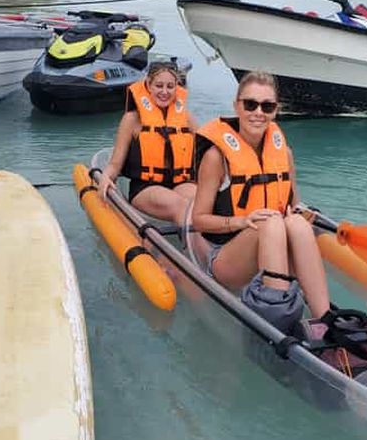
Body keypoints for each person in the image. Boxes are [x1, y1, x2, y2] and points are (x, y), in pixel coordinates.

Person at [191, 71, 330, 325]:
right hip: (228, 259)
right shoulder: (217, 157)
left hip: (273, 246)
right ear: (237, 106)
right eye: (250, 104)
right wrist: (242, 221)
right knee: (271, 222)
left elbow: (293, 205)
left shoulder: (283, 153)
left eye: (267, 106)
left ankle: (325, 318)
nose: (258, 112)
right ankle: (277, 322)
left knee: (297, 224)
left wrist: (302, 215)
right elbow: (198, 221)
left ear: (275, 110)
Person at [97, 62, 196, 225]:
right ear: (148, 85)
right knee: (181, 205)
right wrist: (106, 177)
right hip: (146, 188)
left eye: (170, 86)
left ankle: (216, 247)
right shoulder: (132, 119)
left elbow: (207, 148)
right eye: (159, 86)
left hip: (181, 182)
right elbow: (115, 164)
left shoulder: (186, 117)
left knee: (203, 203)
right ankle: (199, 250)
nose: (164, 92)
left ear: (176, 88)